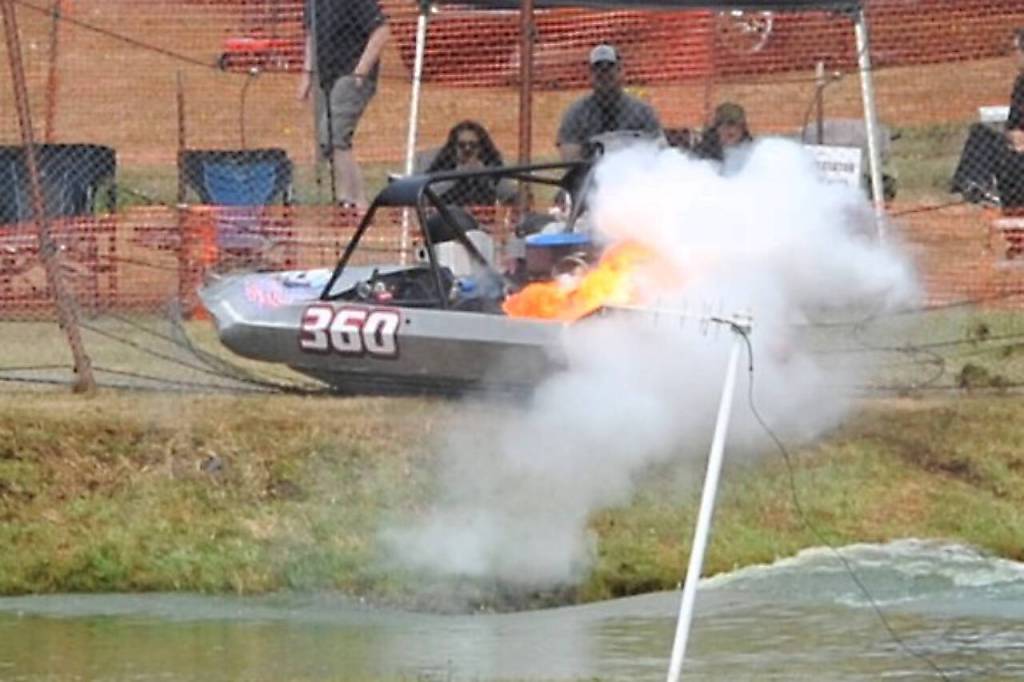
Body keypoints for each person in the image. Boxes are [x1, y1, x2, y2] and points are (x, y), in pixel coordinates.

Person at [298, 0, 391, 208]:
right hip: (325, 77)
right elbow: (311, 35)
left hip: (351, 75)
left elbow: (381, 31)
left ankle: (357, 203)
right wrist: (307, 74)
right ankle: (346, 202)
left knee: (334, 136)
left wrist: (360, 73)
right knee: (327, 143)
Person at [951, 27, 1024, 208]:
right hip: (1018, 152)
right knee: (980, 132)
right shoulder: (1021, 84)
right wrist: (1014, 138)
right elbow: (1014, 126)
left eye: (1016, 49)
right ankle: (976, 185)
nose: (1014, 56)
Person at [556, 44, 662, 162]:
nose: (604, 75)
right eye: (599, 70)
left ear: (621, 72)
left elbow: (657, 150)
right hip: (592, 172)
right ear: (590, 75)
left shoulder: (643, 112)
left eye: (609, 69)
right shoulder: (576, 114)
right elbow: (570, 158)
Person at [425, 120, 517, 206]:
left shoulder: (491, 169)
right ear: (454, 147)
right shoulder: (442, 168)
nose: (467, 149)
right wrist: (455, 176)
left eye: (473, 145)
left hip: (481, 217)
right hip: (448, 216)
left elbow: (510, 195)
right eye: (462, 145)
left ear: (481, 148)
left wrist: (485, 174)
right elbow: (425, 195)